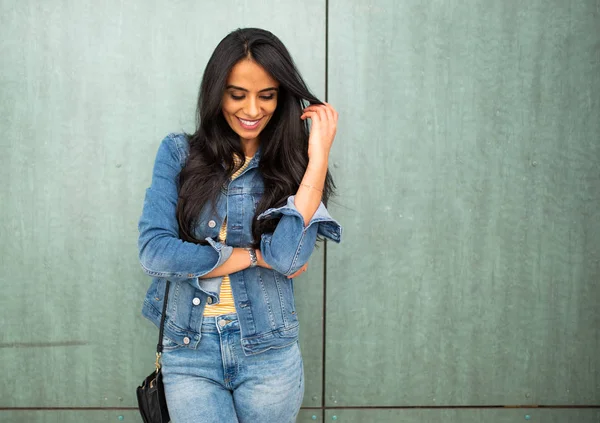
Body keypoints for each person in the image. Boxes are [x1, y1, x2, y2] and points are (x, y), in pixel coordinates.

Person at [137, 27, 342, 423]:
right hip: (189, 349)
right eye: (237, 95)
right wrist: (250, 255)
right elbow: (154, 251)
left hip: (270, 352)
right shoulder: (178, 153)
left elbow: (286, 257)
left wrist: (317, 158)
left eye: (266, 95)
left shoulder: (294, 165)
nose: (252, 110)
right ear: (216, 93)